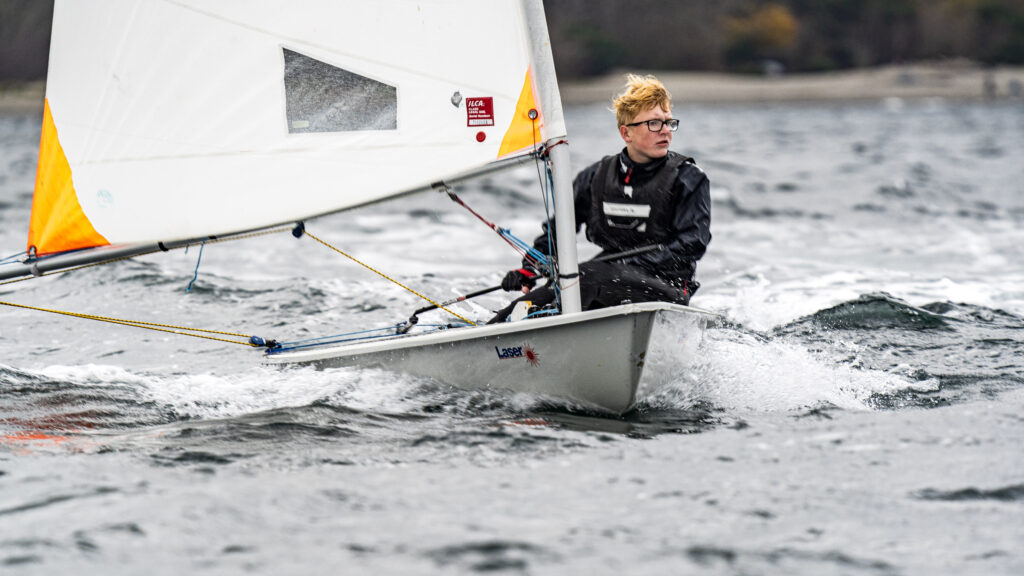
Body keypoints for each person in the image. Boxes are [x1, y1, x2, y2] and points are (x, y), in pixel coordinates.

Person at [489, 74, 711, 323]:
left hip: (666, 287)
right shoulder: (596, 176)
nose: (666, 132)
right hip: (603, 278)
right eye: (654, 124)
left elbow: (693, 243)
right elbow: (558, 228)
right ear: (626, 133)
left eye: (669, 123)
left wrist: (628, 263)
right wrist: (530, 267)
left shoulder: (689, 179)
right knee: (519, 308)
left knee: (585, 276)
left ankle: (553, 327)